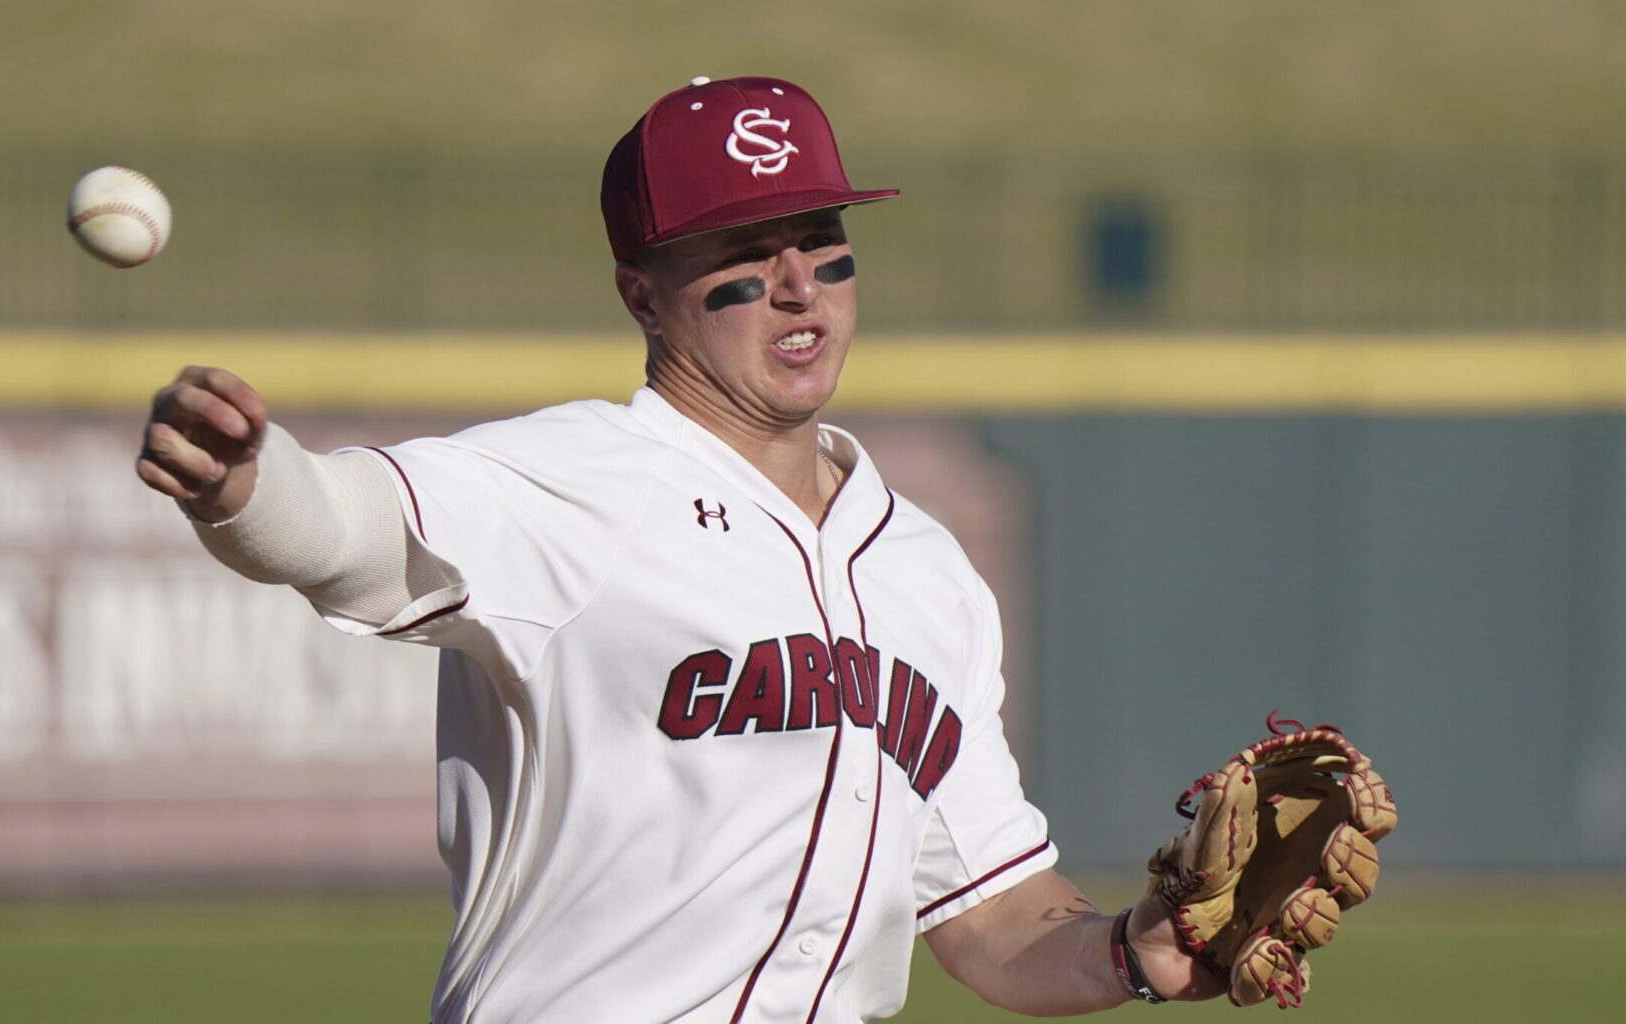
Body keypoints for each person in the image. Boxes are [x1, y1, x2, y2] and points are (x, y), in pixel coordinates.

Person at [135, 76, 1221, 1023]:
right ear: (641, 295)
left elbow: (994, 910)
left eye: (822, 245)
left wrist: (1135, 947)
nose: (798, 285)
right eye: (744, 255)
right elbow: (347, 525)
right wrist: (245, 486)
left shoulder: (926, 572)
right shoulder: (575, 482)